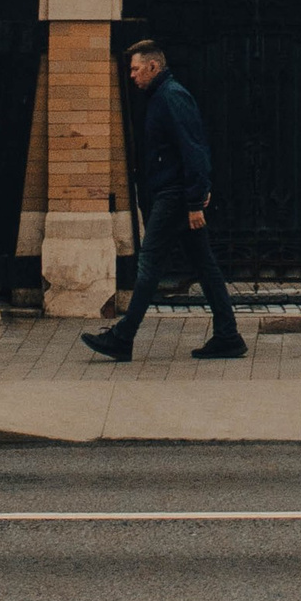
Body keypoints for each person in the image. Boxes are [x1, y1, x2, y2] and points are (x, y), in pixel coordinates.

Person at [82, 39, 248, 363]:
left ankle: (123, 336)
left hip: (174, 196)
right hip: (175, 194)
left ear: (153, 67)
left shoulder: (172, 97)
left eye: (135, 68)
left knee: (149, 264)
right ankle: (228, 335)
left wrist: (196, 202)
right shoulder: (160, 97)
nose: (131, 75)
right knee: (204, 264)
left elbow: (195, 149)